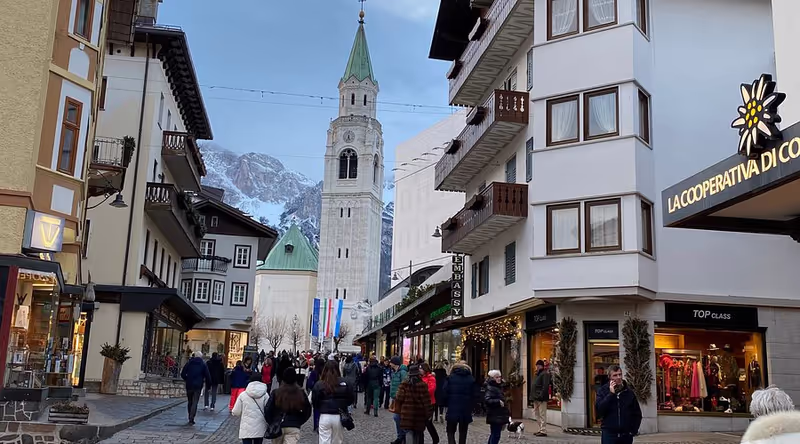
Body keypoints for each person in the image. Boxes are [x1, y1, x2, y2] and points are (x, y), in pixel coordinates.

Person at [595, 365, 642, 444]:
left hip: (626, 435)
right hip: (609, 434)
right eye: (615, 375)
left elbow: (637, 413)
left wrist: (633, 430)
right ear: (609, 377)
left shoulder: (628, 392)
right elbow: (599, 411)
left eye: (620, 374)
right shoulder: (602, 391)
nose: (618, 377)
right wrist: (611, 395)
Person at [264, 368, 312, 444]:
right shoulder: (300, 393)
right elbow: (307, 410)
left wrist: (272, 422)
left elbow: (268, 410)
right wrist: (298, 421)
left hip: (278, 424)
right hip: (293, 426)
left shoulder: (276, 392)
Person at [312, 360, 355, 444]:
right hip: (339, 415)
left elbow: (315, 401)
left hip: (325, 415)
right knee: (337, 441)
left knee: (324, 440)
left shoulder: (319, 384)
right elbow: (351, 399)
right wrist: (344, 404)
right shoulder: (346, 382)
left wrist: (320, 407)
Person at [395, 364, 432, 444]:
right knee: (417, 433)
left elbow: (399, 398)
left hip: (407, 413)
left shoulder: (404, 384)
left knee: (408, 432)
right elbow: (426, 401)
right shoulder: (422, 385)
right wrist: (428, 414)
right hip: (419, 413)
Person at [231, 373, 269, 444]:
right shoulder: (265, 395)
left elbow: (236, 412)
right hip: (260, 426)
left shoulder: (243, 395)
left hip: (246, 428)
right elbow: (268, 410)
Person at [443, 361, 475, 444]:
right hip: (465, 408)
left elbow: (444, 392)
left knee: (450, 431)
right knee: (463, 431)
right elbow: (475, 395)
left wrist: (446, 404)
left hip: (452, 407)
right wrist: (471, 406)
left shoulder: (450, 378)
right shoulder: (471, 379)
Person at [180, 351, 211, 425]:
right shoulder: (203, 364)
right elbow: (207, 376)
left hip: (189, 384)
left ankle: (189, 416)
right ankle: (192, 418)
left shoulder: (189, 363)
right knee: (195, 401)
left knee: (190, 401)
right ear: (201, 357)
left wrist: (187, 379)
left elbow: (183, 373)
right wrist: (208, 385)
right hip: (198, 385)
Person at [484, 369, 510, 444]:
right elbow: (487, 400)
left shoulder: (498, 386)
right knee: (496, 435)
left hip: (498, 414)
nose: (499, 378)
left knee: (494, 434)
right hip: (495, 414)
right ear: (492, 378)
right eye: (497, 377)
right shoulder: (491, 387)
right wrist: (498, 401)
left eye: (499, 377)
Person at [389, 357, 409, 444]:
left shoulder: (402, 372)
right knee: (397, 417)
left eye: (391, 362)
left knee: (397, 417)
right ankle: (401, 436)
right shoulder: (395, 372)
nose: (390, 363)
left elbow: (404, 385)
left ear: (395, 363)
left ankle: (403, 436)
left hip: (400, 398)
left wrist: (400, 394)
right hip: (396, 398)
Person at [530, 359, 551, 437]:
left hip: (541, 398)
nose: (537, 367)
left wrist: (541, 396)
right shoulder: (537, 374)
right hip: (535, 397)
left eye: (538, 366)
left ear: (542, 366)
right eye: (537, 366)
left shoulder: (545, 374)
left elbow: (545, 386)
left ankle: (543, 430)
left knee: (542, 414)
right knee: (537, 414)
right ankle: (540, 428)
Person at [421, 363, 440, 444]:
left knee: (428, 423)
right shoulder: (420, 377)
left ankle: (435, 438)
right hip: (421, 403)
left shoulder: (431, 378)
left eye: (421, 368)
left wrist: (422, 392)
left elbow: (431, 389)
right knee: (421, 423)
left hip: (430, 403)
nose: (419, 370)